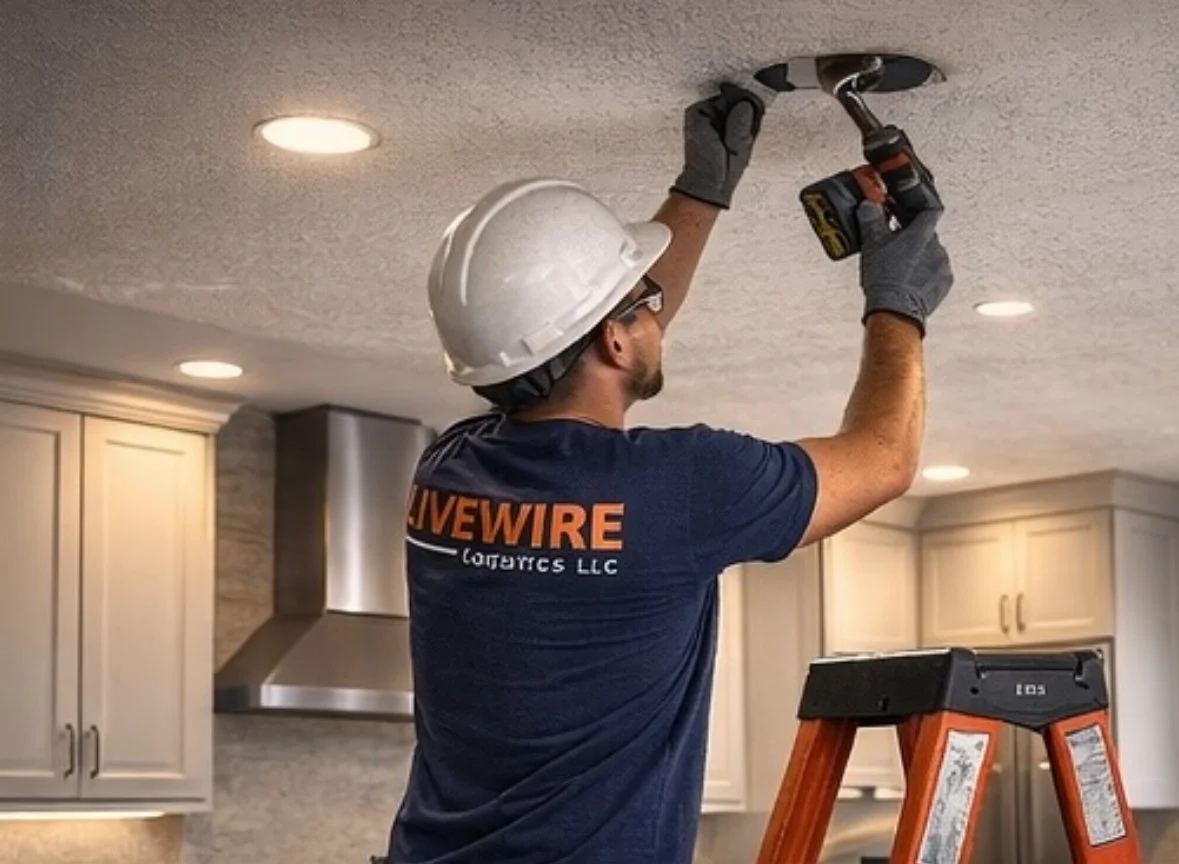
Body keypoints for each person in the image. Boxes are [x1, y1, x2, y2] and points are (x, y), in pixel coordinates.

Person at [387, 78, 953, 864]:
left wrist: (700, 192)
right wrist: (898, 303)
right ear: (616, 343)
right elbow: (884, 459)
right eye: (641, 300)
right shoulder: (687, 484)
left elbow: (587, 344)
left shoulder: (446, 475)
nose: (655, 310)